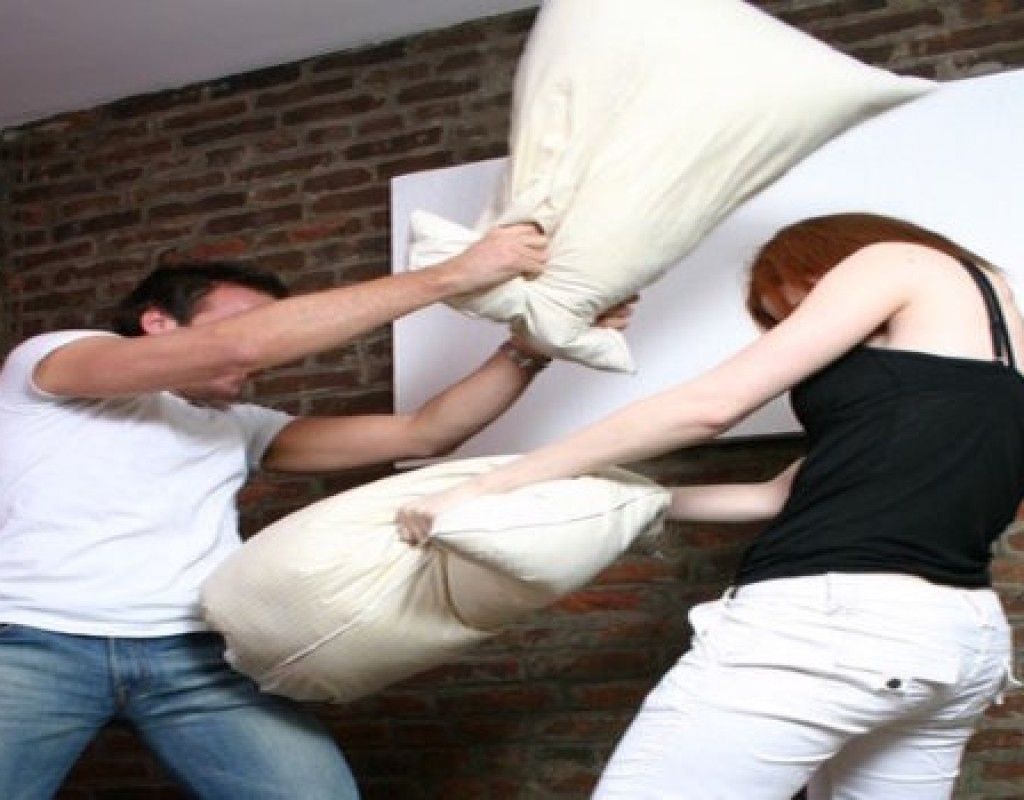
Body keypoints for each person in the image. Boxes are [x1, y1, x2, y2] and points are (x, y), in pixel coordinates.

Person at [397, 212, 1024, 799]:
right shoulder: (990, 341)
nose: (797, 327)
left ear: (819, 267)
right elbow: (772, 496)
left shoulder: (894, 262)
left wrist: (491, 483)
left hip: (831, 626)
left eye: (790, 308)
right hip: (958, 638)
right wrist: (608, 500)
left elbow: (710, 406)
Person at [0, 223, 585, 800]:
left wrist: (530, 348)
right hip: (28, 642)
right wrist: (454, 275)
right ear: (158, 323)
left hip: (197, 657)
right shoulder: (52, 361)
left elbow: (425, 432)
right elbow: (238, 345)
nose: (264, 347)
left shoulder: (242, 427)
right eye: (243, 321)